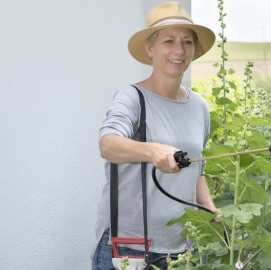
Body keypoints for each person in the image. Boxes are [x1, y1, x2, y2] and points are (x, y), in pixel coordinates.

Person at [92, 2, 220, 269]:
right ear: (150, 48)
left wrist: (209, 207)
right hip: (131, 248)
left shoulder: (199, 107)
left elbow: (196, 167)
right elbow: (108, 144)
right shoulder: (133, 97)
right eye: (169, 41)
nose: (179, 50)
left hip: (185, 249)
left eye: (187, 41)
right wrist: (153, 150)